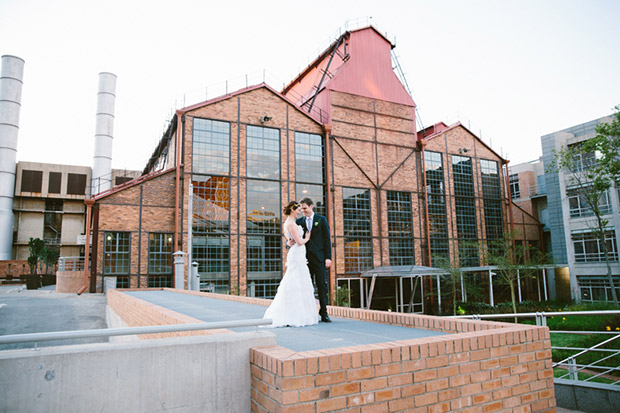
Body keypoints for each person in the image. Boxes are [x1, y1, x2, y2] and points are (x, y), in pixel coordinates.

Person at [261, 201, 319, 328]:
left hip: (297, 254)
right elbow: (298, 241)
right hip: (297, 254)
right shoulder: (291, 224)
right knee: (297, 281)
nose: (299, 211)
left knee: (298, 281)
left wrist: (289, 242)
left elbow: (289, 241)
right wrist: (307, 238)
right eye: (298, 209)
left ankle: (299, 312)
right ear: (293, 210)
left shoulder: (288, 223)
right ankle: (295, 314)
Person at [296, 197, 332, 323]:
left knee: (322, 285)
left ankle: (324, 312)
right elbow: (294, 236)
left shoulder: (321, 220)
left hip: (320, 259)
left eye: (305, 208)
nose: (303, 211)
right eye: (301, 209)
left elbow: (327, 239)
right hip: (305, 260)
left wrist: (328, 257)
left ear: (311, 207)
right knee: (307, 286)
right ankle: (308, 313)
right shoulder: (299, 221)